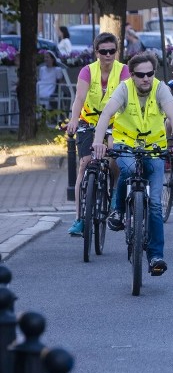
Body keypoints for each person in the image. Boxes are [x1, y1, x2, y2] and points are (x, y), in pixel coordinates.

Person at [91, 52, 173, 276]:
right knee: (128, 169)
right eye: (141, 75)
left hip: (154, 146)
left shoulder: (161, 88)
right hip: (126, 143)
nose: (146, 79)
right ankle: (119, 210)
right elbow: (105, 115)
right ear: (132, 75)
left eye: (150, 74)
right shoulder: (124, 88)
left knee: (154, 204)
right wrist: (98, 143)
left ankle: (156, 256)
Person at [65, 32, 130, 236]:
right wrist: (74, 120)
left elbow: (126, 98)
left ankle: (113, 199)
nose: (108, 55)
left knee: (113, 158)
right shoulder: (87, 71)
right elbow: (79, 98)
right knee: (84, 164)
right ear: (96, 52)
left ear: (116, 52)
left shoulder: (123, 70)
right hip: (89, 121)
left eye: (112, 51)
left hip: (114, 121)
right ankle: (79, 218)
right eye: (104, 51)